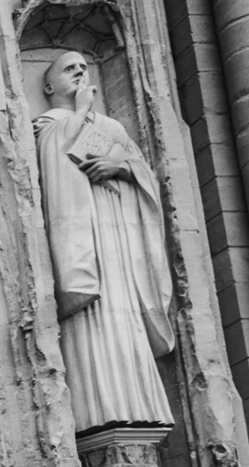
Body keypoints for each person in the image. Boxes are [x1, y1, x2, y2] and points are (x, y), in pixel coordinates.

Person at [33, 49, 176, 433]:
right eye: (68, 69)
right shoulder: (48, 123)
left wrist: (123, 166)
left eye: (84, 66)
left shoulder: (111, 126)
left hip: (120, 241)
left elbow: (143, 173)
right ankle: (98, 417)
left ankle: (139, 408)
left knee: (123, 315)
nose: (80, 71)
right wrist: (79, 112)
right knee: (94, 319)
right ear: (48, 85)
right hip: (84, 241)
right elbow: (57, 158)